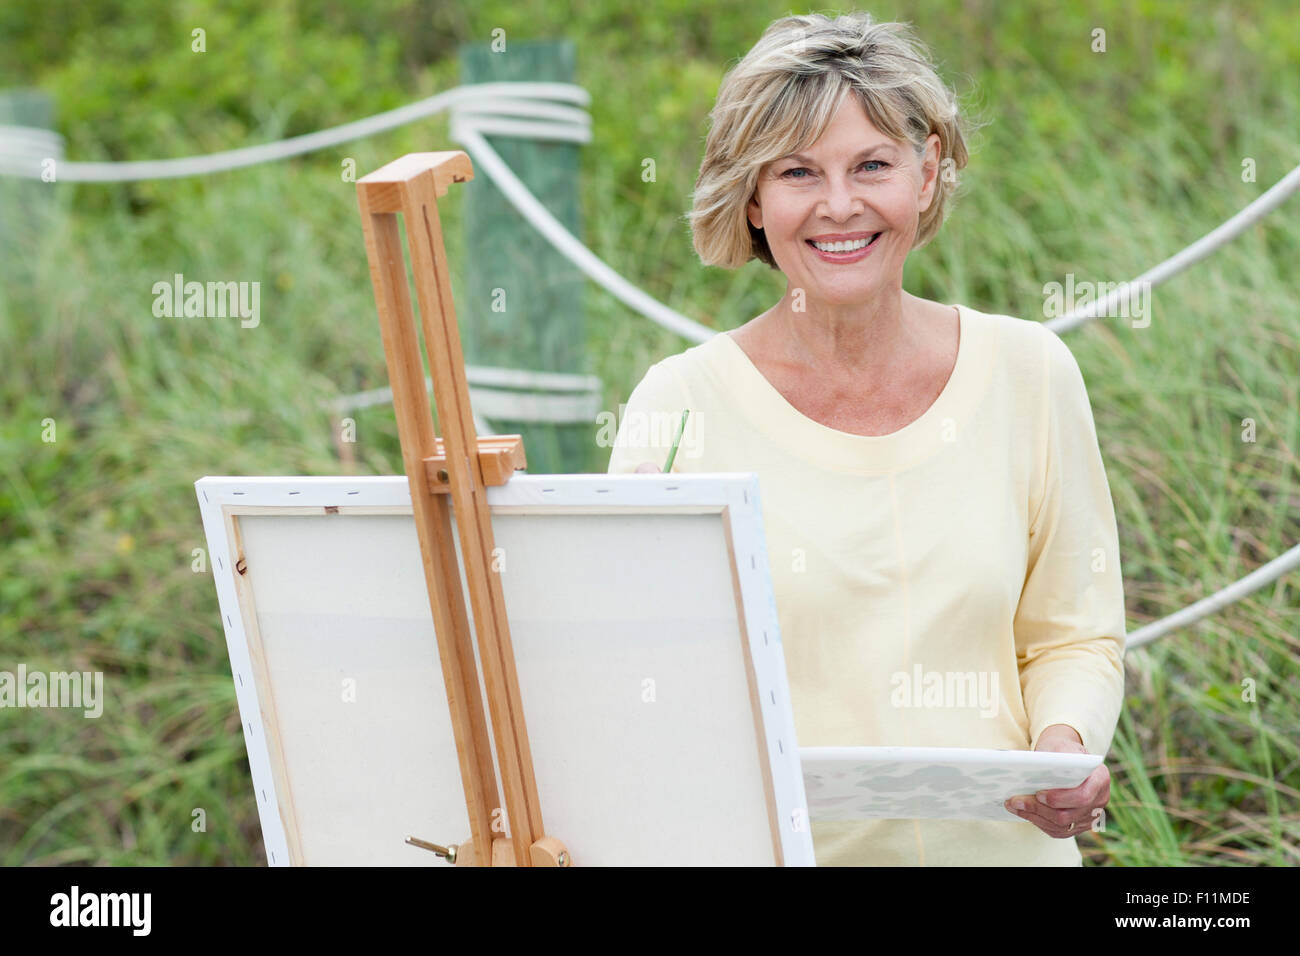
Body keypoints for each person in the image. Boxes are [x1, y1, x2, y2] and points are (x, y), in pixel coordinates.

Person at [605, 11, 1127, 865]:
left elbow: (1073, 632)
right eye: (799, 172)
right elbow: (641, 680)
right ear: (753, 199)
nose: (839, 205)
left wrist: (1065, 743)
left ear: (926, 176)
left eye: (873, 165)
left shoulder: (1031, 371)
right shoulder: (677, 406)